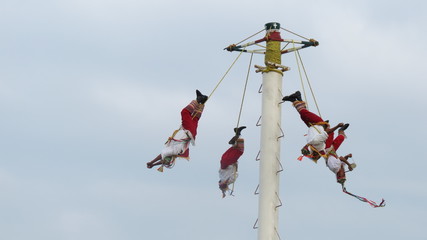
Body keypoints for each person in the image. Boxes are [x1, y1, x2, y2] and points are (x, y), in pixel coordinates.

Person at [146, 90, 208, 171]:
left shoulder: (172, 150)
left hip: (190, 132)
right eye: (167, 161)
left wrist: (153, 164)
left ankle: (202, 102)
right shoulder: (173, 152)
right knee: (185, 112)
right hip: (188, 130)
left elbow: (163, 158)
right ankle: (198, 100)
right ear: (171, 160)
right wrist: (152, 162)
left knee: (195, 118)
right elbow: (162, 156)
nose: (166, 160)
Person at [282, 91, 343, 162]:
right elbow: (327, 132)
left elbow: (310, 149)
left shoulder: (314, 146)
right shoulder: (316, 142)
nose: (305, 146)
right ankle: (294, 99)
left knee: (303, 115)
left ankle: (296, 98)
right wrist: (337, 126)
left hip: (311, 125)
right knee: (304, 113)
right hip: (317, 123)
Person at [218, 126, 246, 198]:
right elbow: (221, 186)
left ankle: (237, 136)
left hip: (229, 162)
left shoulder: (229, 180)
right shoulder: (222, 178)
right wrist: (223, 193)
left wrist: (235, 165)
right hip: (224, 160)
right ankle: (237, 134)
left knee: (240, 151)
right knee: (235, 149)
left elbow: (236, 173)